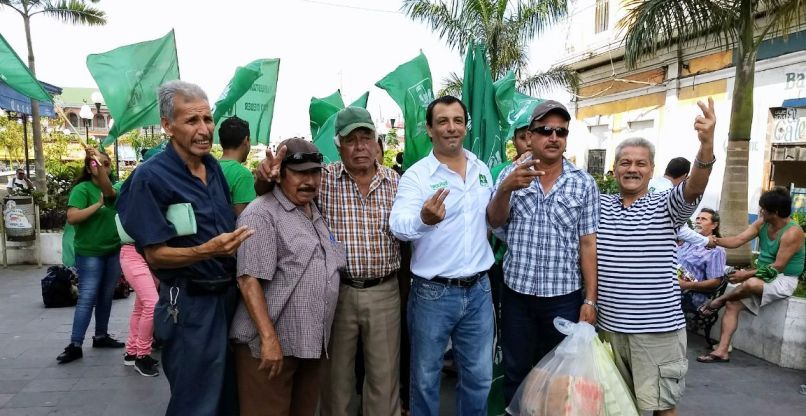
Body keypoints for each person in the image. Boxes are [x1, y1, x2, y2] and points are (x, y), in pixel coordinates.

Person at [117, 80, 254, 416]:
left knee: (227, 400)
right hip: (189, 304)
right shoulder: (151, 178)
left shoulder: (214, 168)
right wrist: (205, 251)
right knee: (196, 402)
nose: (204, 129)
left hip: (227, 300)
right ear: (167, 125)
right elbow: (154, 254)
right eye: (192, 121)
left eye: (207, 119)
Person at [256, 108, 403, 415]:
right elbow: (280, 191)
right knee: (336, 381)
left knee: (384, 377)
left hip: (384, 291)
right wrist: (264, 178)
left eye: (366, 138)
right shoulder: (324, 180)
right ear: (338, 146)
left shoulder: (396, 182)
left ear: (377, 143)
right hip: (338, 292)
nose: (360, 146)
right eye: (352, 140)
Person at [597, 97, 717, 416]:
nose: (632, 169)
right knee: (617, 408)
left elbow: (693, 187)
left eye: (640, 163)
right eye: (625, 162)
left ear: (652, 170)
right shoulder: (599, 206)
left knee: (663, 409)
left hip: (657, 332)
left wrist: (705, 147)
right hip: (609, 329)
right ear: (615, 169)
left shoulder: (665, 205)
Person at [487, 100, 599, 404]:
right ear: (531, 136)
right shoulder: (511, 175)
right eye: (545, 130)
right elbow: (494, 221)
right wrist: (506, 188)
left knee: (562, 377)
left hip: (563, 298)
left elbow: (588, 243)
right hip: (517, 296)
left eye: (560, 132)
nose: (554, 137)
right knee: (516, 371)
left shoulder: (583, 183)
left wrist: (590, 299)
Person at [390, 95, 495, 416]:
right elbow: (397, 225)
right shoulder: (418, 176)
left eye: (457, 121)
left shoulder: (482, 170)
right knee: (425, 380)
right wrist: (424, 219)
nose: (451, 128)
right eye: (443, 122)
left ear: (466, 126)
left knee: (479, 378)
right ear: (430, 130)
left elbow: (490, 223)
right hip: (433, 294)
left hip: (479, 290)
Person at [231, 138, 346, 416]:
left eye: (315, 172)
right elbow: (248, 281)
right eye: (300, 173)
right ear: (280, 174)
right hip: (270, 347)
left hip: (307, 345)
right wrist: (269, 340)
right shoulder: (261, 213)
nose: (310, 180)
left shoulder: (313, 209)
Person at [697, 187, 804, 364]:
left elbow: (777, 267)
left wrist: (745, 275)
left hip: (783, 278)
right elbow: (738, 240)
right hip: (761, 277)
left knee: (750, 283)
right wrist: (713, 241)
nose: (760, 212)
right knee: (733, 304)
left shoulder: (793, 232)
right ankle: (722, 351)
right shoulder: (763, 223)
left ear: (775, 212)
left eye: (763, 209)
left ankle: (719, 300)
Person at [57, 150, 124, 364]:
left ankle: (101, 336)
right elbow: (72, 217)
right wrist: (97, 205)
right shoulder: (82, 189)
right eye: (97, 164)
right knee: (87, 297)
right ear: (88, 169)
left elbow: (109, 194)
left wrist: (99, 164)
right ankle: (75, 344)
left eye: (106, 164)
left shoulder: (113, 189)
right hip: (89, 253)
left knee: (106, 296)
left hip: (112, 250)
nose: (103, 168)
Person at [651, 157, 709, 247]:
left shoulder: (648, 183)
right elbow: (680, 229)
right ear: (685, 176)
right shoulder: (671, 195)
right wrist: (707, 241)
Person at [678, 208, 726, 311]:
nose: (698, 221)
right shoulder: (687, 242)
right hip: (670, 289)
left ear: (714, 225)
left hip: (690, 297)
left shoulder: (716, 250)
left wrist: (686, 285)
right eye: (697, 218)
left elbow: (715, 282)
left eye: (703, 219)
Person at [218, 116, 256, 217]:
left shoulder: (209, 167)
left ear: (221, 142)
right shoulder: (242, 175)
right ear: (246, 140)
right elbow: (245, 220)